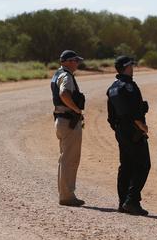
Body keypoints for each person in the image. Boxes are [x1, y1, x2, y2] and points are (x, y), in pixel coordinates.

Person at [106, 56, 151, 216]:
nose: (133, 67)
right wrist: (142, 126)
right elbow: (132, 111)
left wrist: (119, 129)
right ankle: (131, 201)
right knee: (143, 165)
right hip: (133, 130)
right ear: (126, 67)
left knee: (126, 166)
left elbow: (111, 116)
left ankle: (122, 202)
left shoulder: (112, 88)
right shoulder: (129, 86)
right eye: (131, 65)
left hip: (121, 131)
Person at [51, 50, 86, 207]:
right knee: (70, 159)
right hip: (68, 121)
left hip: (61, 120)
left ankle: (65, 194)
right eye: (75, 60)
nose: (77, 63)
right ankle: (67, 196)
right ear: (67, 61)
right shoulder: (66, 76)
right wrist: (77, 110)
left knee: (65, 158)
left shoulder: (58, 74)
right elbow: (64, 94)